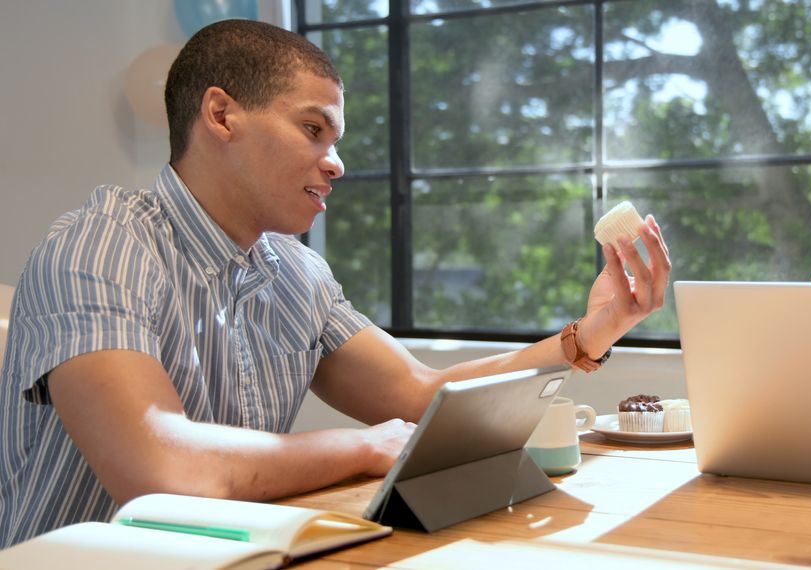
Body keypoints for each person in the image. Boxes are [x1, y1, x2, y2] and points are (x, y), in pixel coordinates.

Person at [0, 19, 671, 547]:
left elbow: (417, 394)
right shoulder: (99, 246)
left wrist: (591, 334)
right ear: (222, 114)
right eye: (312, 129)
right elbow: (158, 465)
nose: (337, 163)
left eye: (336, 138)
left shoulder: (296, 273)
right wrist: (364, 447)